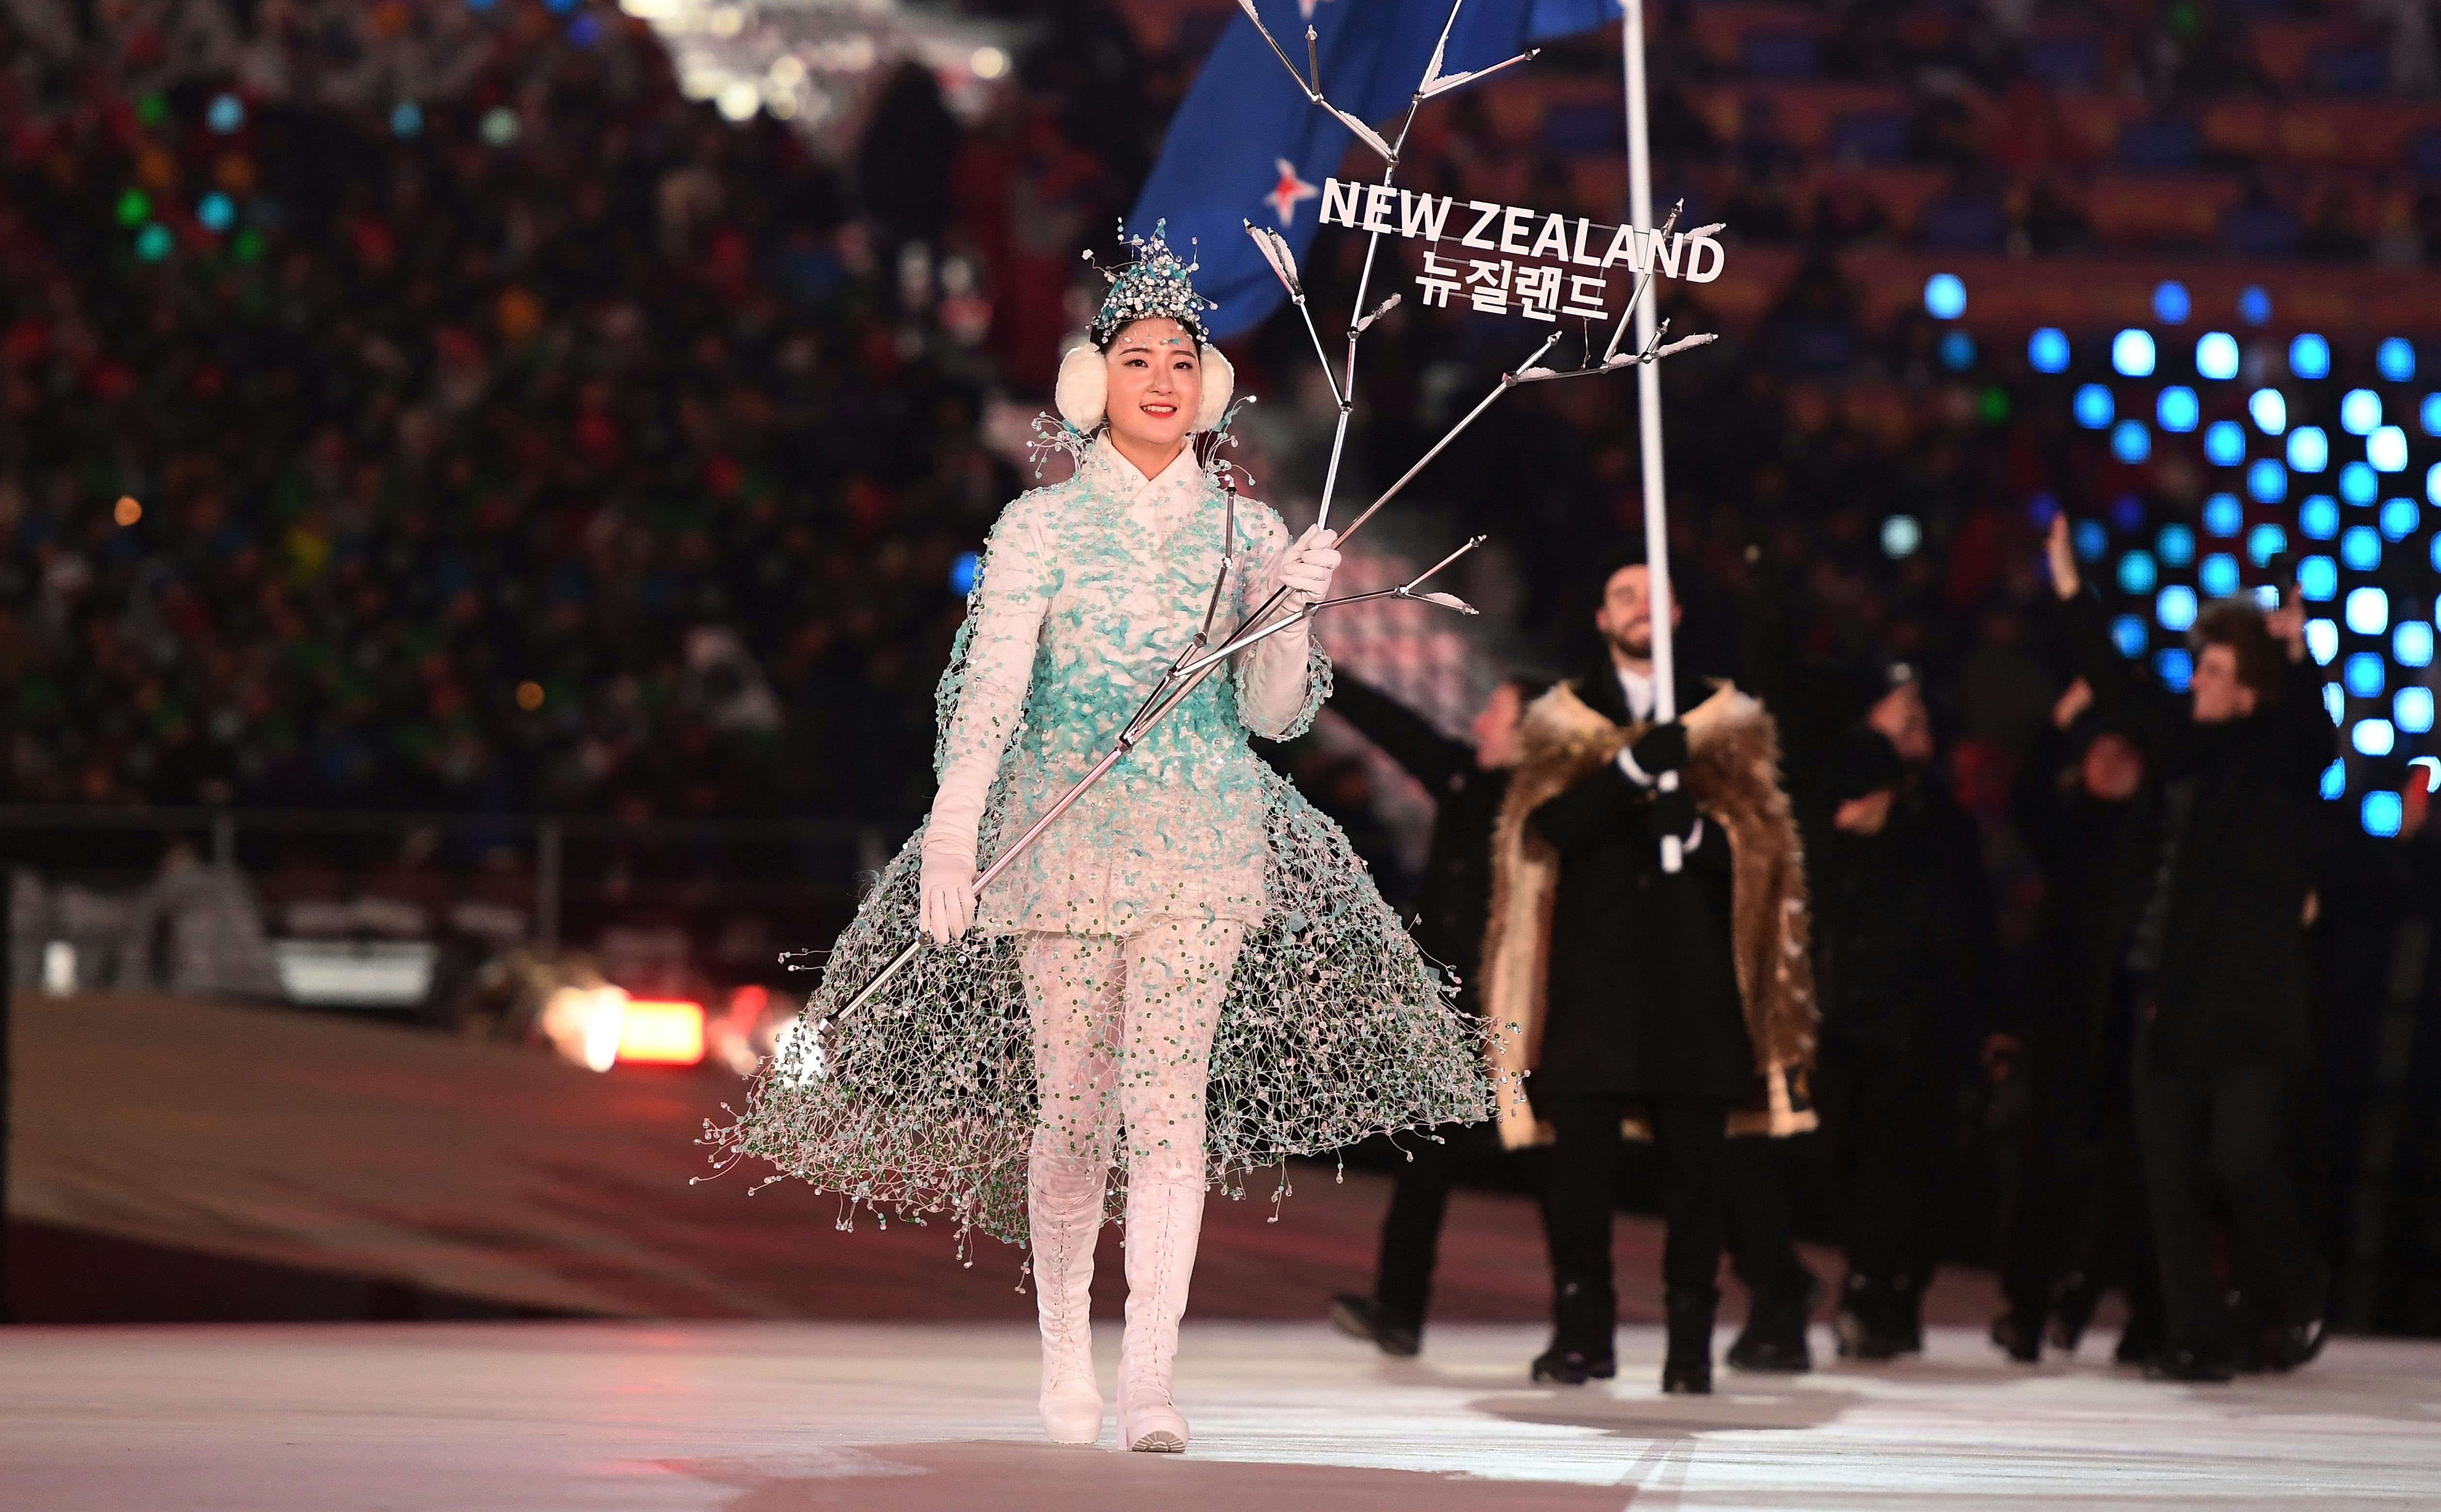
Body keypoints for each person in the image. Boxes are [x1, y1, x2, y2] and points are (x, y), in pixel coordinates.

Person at [714, 231, 1493, 1452]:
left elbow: (1275, 717)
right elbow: (989, 695)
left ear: (1206, 386)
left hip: (1202, 839)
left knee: (1168, 1108)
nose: (1163, 379)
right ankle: (1067, 1358)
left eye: (1182, 360)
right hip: (1062, 835)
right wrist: (957, 840)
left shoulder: (1245, 532)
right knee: (1074, 1110)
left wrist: (1291, 608)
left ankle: (1151, 1381)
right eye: (1138, 359)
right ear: (1097, 381)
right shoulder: (1038, 528)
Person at [1480, 550, 1816, 1395]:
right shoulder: (1562, 721)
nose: (1636, 607)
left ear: (1673, 615)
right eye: (1620, 593)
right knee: (1580, 1178)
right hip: (1594, 992)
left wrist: (1698, 832)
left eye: (1651, 594)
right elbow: (1544, 828)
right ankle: (1582, 1334)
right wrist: (1630, 772)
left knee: (1698, 1183)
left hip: (1694, 992)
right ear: (1600, 617)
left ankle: (1690, 1345)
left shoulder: (1724, 721)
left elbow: (1766, 853)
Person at [2044, 513, 2334, 1381]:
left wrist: (2300, 652)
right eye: (2199, 667)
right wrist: (2070, 590)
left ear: (2250, 689)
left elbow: (2311, 739)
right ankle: (2199, 1339)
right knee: (2167, 1182)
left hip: (2245, 1005)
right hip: (2163, 995)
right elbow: (2117, 685)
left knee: (2239, 1160)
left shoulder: (2273, 760)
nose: (2197, 681)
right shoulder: (2179, 748)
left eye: (2215, 671)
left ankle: (2299, 1279)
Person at [1324, 664, 1555, 1357]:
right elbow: (1393, 725)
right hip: (1457, 1011)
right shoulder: (1463, 780)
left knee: (1559, 1165)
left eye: (1497, 714)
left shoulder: (1557, 813)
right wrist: (1315, 665)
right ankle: (1398, 1308)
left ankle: (1587, 1319)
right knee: (1426, 1156)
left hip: (1524, 1018)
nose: (1479, 722)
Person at [1812, 664, 2005, 1360]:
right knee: (1860, 1166)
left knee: (1913, 1171)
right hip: (1855, 1023)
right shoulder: (1842, 807)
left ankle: (1889, 1294)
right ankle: (1872, 1287)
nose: (1915, 725)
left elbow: (1972, 926)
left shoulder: (1945, 819)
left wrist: (1992, 1018)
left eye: (1920, 716)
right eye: (1901, 716)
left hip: (1928, 1025)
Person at [1993, 673, 2166, 1364]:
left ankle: (2103, 1303)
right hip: (2066, 1028)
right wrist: (2058, 724)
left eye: (2123, 751)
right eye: (2098, 750)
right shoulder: (2069, 830)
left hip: (2136, 1029)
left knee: (2133, 1182)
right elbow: (2026, 799)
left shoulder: (2157, 839)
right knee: (2048, 1172)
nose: (2109, 760)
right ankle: (2030, 1309)